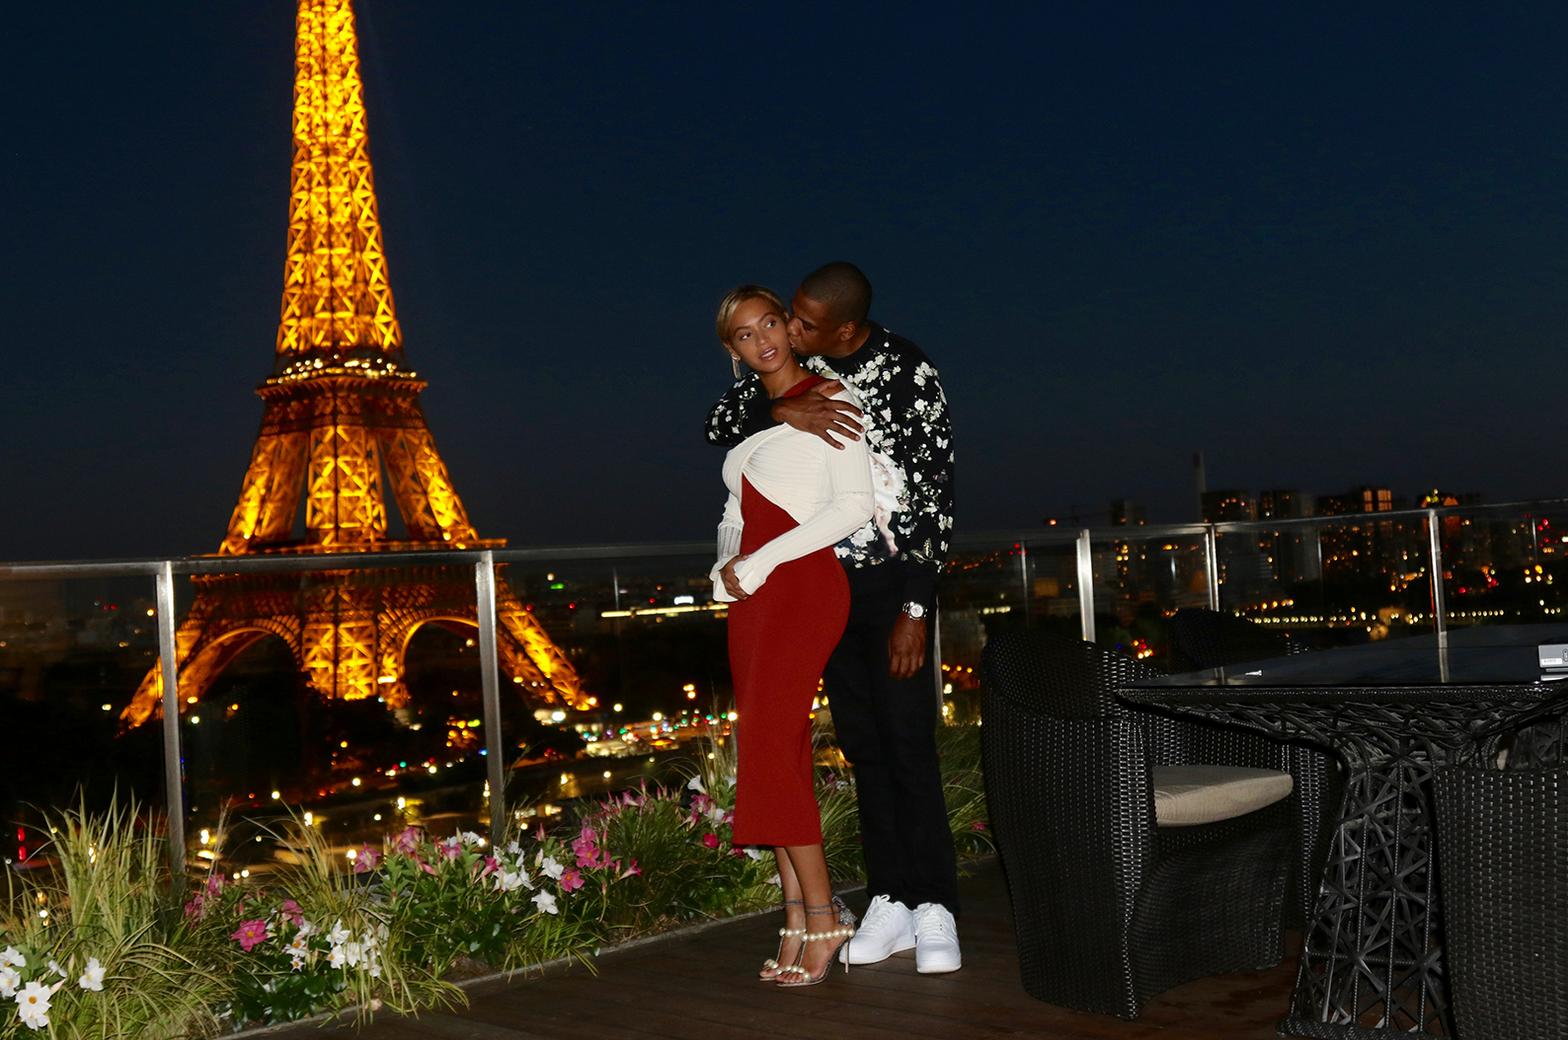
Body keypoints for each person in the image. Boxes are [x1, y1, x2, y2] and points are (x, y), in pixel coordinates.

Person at [705, 262, 961, 975]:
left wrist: (916, 606)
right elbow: (724, 422)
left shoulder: (908, 373)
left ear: (844, 328)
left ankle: (933, 901)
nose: (787, 329)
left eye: (800, 321)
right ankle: (888, 897)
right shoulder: (798, 362)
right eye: (783, 316)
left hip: (882, 584)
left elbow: (933, 498)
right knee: (861, 745)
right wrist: (780, 410)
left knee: (907, 739)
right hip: (817, 582)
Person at [709, 284, 873, 986]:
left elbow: (854, 506)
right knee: (768, 749)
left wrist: (763, 560)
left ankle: (823, 912)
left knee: (773, 747)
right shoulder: (750, 417)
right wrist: (724, 568)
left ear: (787, 324)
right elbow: (732, 508)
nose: (761, 340)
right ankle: (798, 913)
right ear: (733, 351)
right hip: (752, 594)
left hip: (804, 585)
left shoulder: (834, 398)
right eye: (744, 334)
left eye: (769, 323)